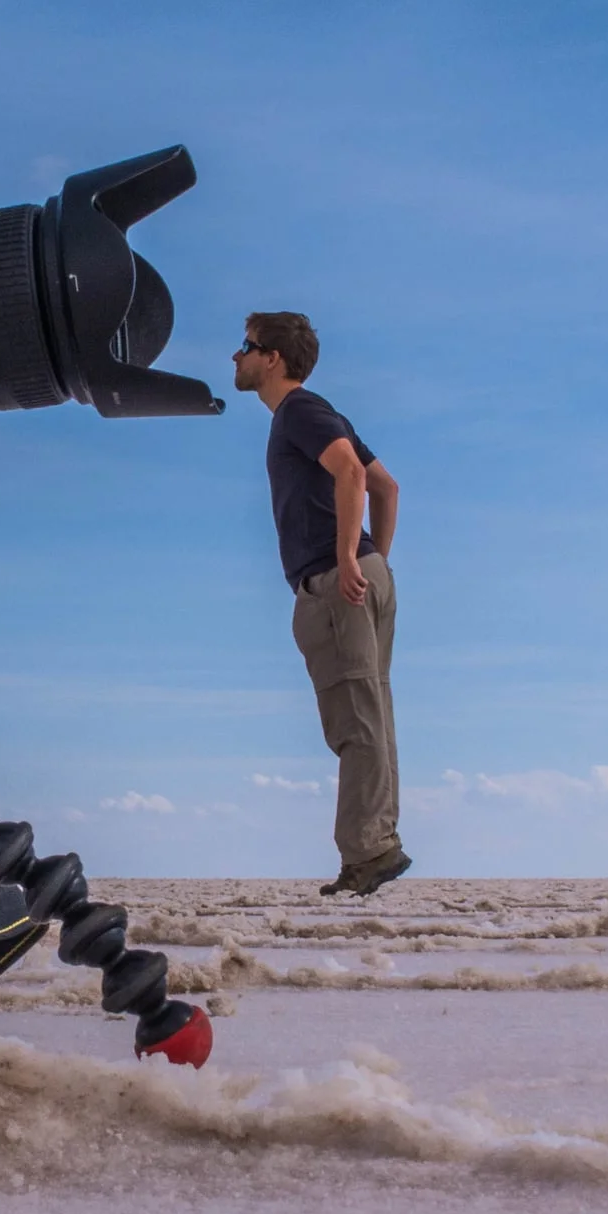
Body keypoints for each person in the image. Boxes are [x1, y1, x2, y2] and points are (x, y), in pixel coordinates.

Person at [233, 311, 410, 894]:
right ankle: (371, 848)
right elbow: (386, 486)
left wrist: (348, 562)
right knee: (371, 715)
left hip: (337, 582)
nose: (236, 357)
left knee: (354, 720)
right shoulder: (318, 412)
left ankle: (370, 853)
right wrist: (371, 560)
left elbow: (353, 476)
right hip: (359, 576)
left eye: (246, 347)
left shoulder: (300, 412)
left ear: (273, 358)